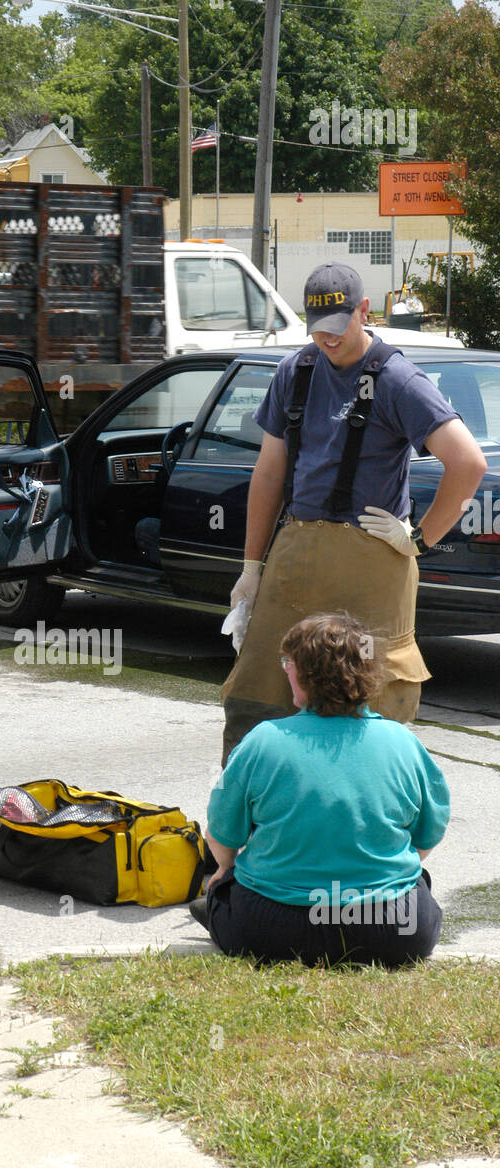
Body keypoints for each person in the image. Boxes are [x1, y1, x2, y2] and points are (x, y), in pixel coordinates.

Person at [220, 262, 487, 765]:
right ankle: (252, 826)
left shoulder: (398, 379)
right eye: (318, 330)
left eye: (339, 328)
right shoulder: (294, 372)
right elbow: (269, 474)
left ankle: (362, 819)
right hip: (295, 554)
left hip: (373, 560)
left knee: (367, 702)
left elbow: (467, 463)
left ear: (365, 311)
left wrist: (420, 539)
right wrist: (251, 568)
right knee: (258, 697)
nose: (328, 340)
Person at [193, 613, 449, 966]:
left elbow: (221, 837)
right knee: (417, 881)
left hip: (271, 927)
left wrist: (226, 868)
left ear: (304, 674)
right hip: (390, 929)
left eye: (289, 663)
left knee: (225, 886)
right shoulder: (403, 742)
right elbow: (427, 836)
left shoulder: (263, 741)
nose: (285, 670)